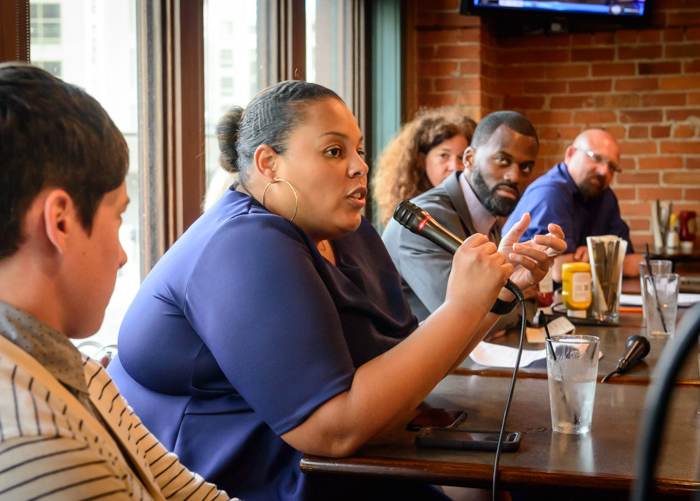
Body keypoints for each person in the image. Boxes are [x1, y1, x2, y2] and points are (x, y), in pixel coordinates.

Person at [108, 80, 565, 501]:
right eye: (333, 151)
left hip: (339, 461)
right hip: (239, 478)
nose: (359, 166)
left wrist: (496, 295)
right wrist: (463, 304)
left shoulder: (346, 232)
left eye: (360, 151)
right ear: (269, 164)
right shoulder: (244, 242)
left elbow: (407, 359)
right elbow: (330, 430)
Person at [0, 63, 233, 501]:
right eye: (118, 215)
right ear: (60, 222)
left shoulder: (66, 363)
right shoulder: (23, 437)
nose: (122, 256)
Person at [382, 111, 555, 328]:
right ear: (469, 159)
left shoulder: (488, 213)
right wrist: (523, 298)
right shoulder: (427, 220)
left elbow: (487, 309)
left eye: (526, 167)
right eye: (502, 160)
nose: (514, 176)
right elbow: (462, 323)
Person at [503, 128, 642, 281]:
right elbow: (561, 271)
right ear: (570, 154)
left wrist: (593, 255)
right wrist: (604, 258)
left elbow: (635, 263)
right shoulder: (550, 193)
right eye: (596, 158)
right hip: (524, 299)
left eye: (612, 167)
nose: (604, 171)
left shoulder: (605, 196)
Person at [373, 108, 476, 225]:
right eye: (444, 156)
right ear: (422, 160)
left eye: (461, 157)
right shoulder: (411, 216)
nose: (455, 167)